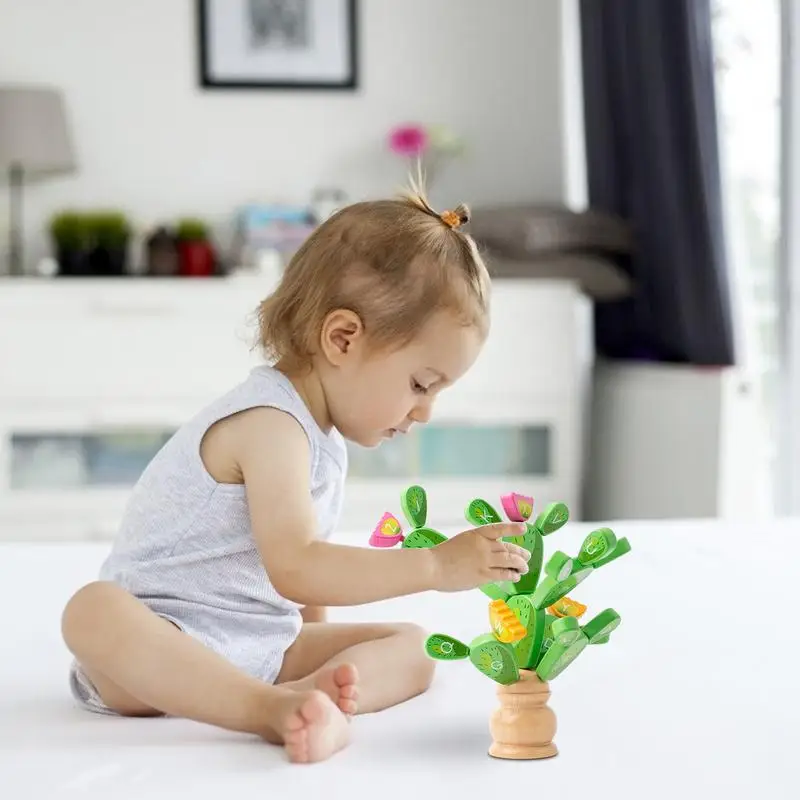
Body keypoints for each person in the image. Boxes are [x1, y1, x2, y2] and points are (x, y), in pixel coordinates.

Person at [60, 185, 531, 764]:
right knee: (92, 610)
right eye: (420, 384)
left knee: (415, 648)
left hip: (257, 645)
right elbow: (297, 565)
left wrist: (315, 641)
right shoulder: (270, 424)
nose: (425, 412)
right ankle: (266, 709)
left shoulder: (321, 436)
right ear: (342, 339)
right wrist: (434, 565)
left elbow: (303, 596)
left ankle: (306, 702)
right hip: (161, 649)